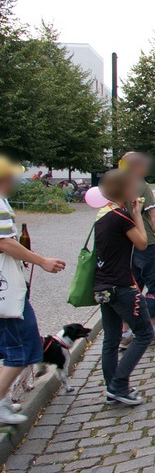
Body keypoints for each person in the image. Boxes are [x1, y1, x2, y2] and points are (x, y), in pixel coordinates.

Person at [0, 156, 66, 423]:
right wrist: (41, 260)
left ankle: (4, 398)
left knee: (10, 347)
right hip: (6, 292)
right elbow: (4, 243)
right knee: (24, 348)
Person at [93, 169, 153, 405]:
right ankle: (119, 385)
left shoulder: (102, 214)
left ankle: (112, 388)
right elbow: (142, 242)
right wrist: (136, 213)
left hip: (102, 286)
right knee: (145, 333)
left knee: (111, 338)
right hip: (121, 286)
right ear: (122, 190)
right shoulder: (121, 216)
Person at [119, 152, 155, 348]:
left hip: (129, 244)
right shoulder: (142, 186)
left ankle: (124, 333)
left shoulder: (119, 184)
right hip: (147, 243)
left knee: (133, 288)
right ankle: (152, 330)